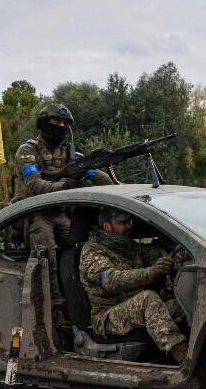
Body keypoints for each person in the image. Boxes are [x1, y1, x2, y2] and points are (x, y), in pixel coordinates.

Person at [11, 104, 113, 318]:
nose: (61, 126)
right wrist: (65, 187)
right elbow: (35, 186)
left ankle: (91, 304)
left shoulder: (70, 155)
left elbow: (98, 177)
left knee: (87, 250)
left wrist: (112, 177)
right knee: (47, 259)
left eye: (64, 123)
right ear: (44, 123)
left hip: (60, 214)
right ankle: (55, 313)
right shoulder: (28, 151)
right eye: (56, 122)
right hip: (35, 213)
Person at [79, 208, 189, 364]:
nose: (129, 226)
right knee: (148, 299)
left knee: (182, 302)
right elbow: (111, 280)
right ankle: (182, 356)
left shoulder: (127, 247)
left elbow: (152, 254)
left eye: (129, 222)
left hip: (135, 308)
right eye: (123, 222)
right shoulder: (91, 252)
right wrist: (151, 272)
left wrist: (173, 256)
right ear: (106, 226)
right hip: (108, 316)